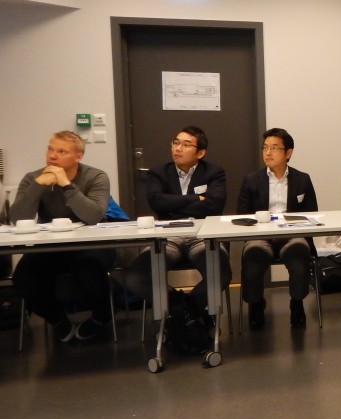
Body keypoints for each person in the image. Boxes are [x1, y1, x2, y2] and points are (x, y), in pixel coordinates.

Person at [11, 131, 113, 343]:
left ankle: (101, 318)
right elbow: (18, 218)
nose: (52, 155)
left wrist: (66, 185)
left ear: (78, 157)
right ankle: (57, 319)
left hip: (90, 244)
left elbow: (93, 215)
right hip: (51, 246)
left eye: (61, 151)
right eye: (50, 149)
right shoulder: (33, 178)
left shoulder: (96, 176)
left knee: (90, 270)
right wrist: (39, 186)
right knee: (23, 278)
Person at [125, 126, 230, 314]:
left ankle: (188, 308)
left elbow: (214, 206)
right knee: (137, 278)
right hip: (167, 237)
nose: (178, 148)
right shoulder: (159, 172)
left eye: (186, 144)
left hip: (201, 236)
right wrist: (195, 199)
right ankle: (179, 307)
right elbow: (157, 202)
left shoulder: (214, 172)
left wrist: (172, 205)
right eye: (176, 142)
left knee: (220, 273)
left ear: (200, 153)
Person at [237, 128, 319, 329]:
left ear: (288, 153)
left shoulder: (302, 179)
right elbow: (241, 216)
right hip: (260, 236)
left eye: (274, 148)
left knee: (300, 252)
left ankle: (297, 303)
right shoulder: (251, 180)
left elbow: (312, 213)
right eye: (265, 148)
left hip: (291, 235)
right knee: (253, 255)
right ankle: (256, 304)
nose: (268, 153)